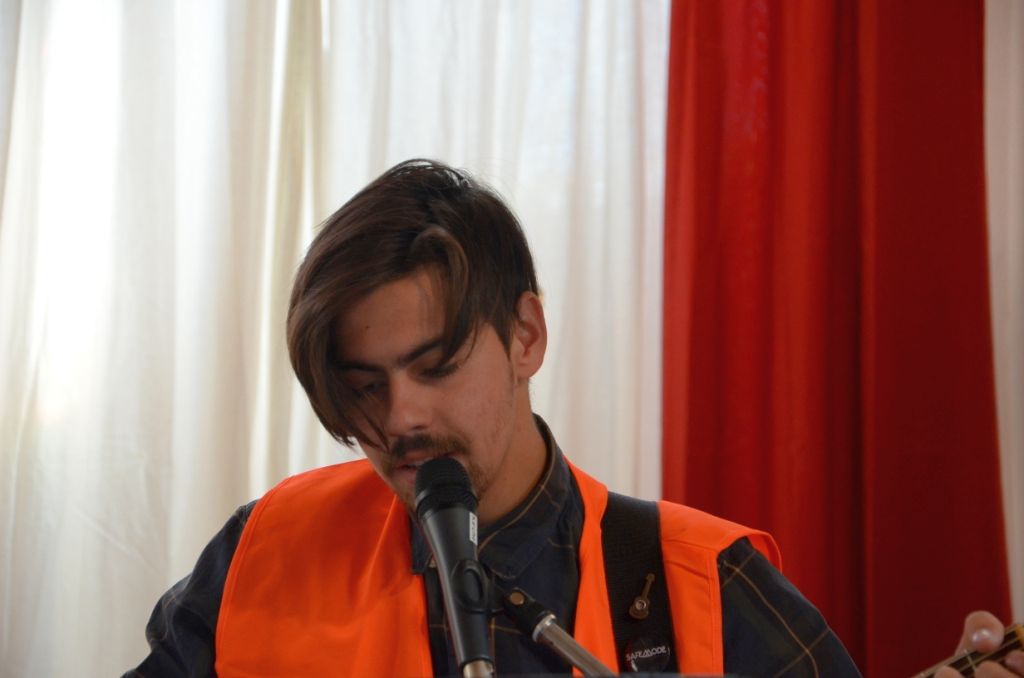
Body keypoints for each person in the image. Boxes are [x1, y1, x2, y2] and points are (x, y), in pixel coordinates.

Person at [125, 160, 1017, 677]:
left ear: (526, 335)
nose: (401, 418)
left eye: (436, 366)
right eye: (364, 385)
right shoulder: (262, 551)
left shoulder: (701, 585)